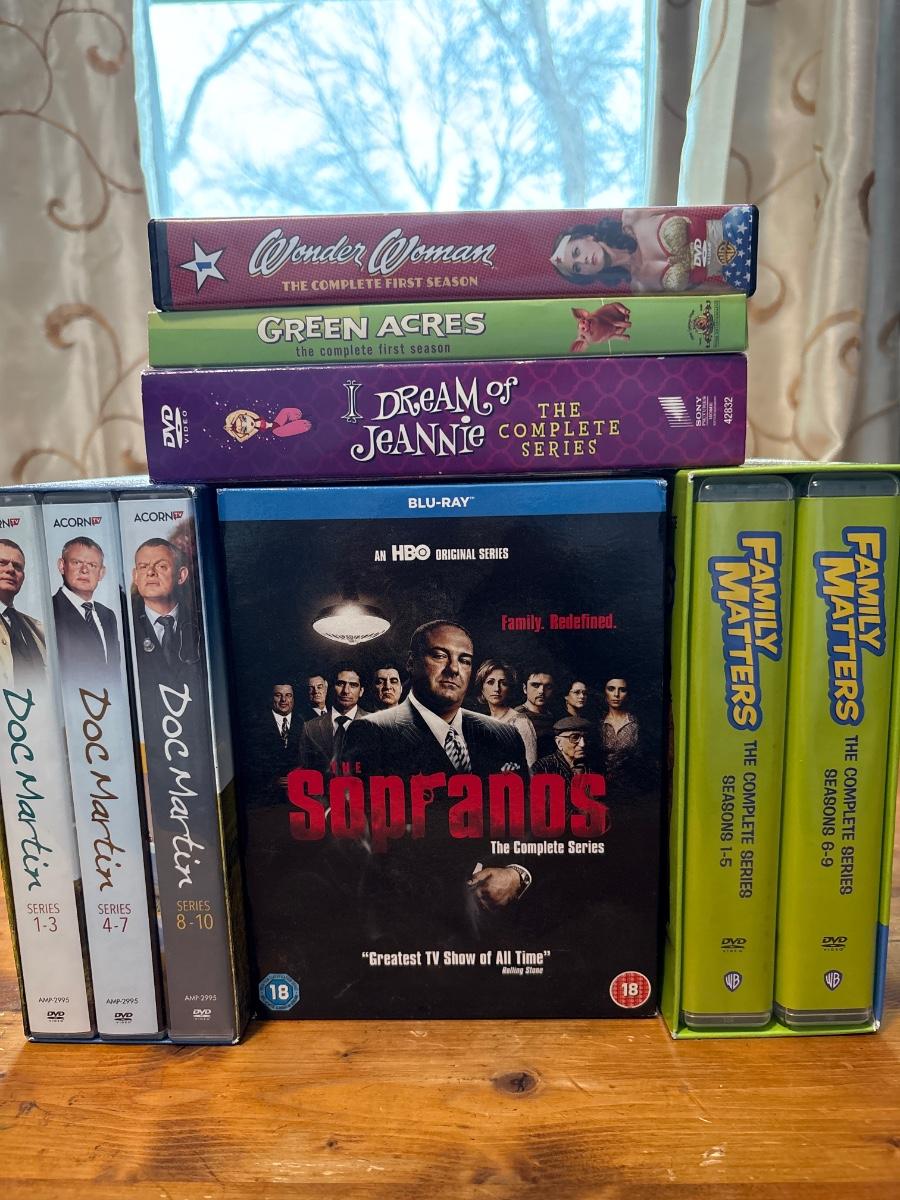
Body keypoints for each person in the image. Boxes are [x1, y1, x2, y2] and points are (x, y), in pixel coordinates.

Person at [342, 621, 532, 947]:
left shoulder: (503, 735)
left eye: (464, 660)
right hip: (407, 928)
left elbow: (527, 822)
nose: (453, 669)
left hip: (493, 927)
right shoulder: (371, 732)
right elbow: (357, 838)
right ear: (411, 662)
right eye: (439, 655)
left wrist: (516, 873)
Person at [550, 210, 693, 292]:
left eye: (576, 252)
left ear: (587, 237)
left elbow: (687, 207)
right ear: (586, 275)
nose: (583, 260)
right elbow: (699, 294)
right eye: (577, 268)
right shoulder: (640, 287)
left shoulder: (633, 217)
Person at [131, 537, 201, 685]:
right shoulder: (122, 626)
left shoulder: (203, 624)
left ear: (181, 576)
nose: (150, 572)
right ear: (135, 576)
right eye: (143, 567)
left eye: (161, 566)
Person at [51, 536, 120, 680]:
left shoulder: (108, 615)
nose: (84, 570)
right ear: (62, 566)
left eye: (92, 565)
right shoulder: (50, 610)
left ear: (101, 573)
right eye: (77, 563)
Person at [300, 663, 364, 776]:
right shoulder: (310, 728)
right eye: (340, 684)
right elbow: (305, 772)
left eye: (353, 685)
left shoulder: (375, 724)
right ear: (331, 688)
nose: (346, 691)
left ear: (361, 691)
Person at [473, 658, 537, 767]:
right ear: (482, 688)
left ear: (509, 688)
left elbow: (532, 767)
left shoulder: (520, 723)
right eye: (490, 682)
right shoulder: (482, 723)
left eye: (503, 683)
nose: (496, 689)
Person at [250, 682, 305, 806]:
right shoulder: (256, 725)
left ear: (293, 699)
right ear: (271, 698)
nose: (283, 700)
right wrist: (273, 780)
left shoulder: (305, 722)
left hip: (301, 794)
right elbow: (252, 762)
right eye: (278, 695)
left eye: (288, 695)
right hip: (266, 799)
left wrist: (298, 777)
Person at [0, 538, 46, 687]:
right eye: (1, 563)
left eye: (17, 566)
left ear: (23, 578)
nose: (10, 569)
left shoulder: (39, 629)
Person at [599, 674, 640, 790]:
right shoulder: (598, 724)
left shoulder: (637, 723)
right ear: (604, 693)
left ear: (627, 694)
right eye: (611, 689)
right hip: (603, 787)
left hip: (633, 788)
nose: (616, 694)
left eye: (622, 690)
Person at [532, 716, 595, 781]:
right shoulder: (542, 767)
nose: (583, 744)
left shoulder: (594, 765)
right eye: (575, 737)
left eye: (585, 737)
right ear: (559, 742)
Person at [514, 668, 558, 759]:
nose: (541, 691)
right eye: (535, 685)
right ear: (525, 688)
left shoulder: (553, 716)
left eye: (548, 687)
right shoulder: (516, 717)